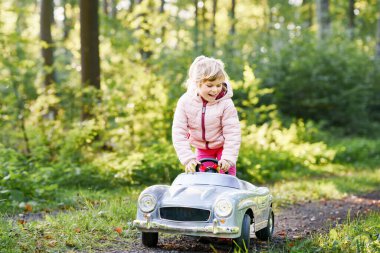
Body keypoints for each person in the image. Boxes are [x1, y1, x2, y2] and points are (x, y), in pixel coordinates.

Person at [172, 55, 241, 176]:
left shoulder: (226, 104)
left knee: (226, 179)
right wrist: (188, 159)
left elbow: (233, 133)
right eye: (210, 85)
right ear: (197, 83)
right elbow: (179, 133)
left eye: (219, 85)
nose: (215, 90)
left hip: (223, 148)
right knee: (202, 180)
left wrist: (228, 158)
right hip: (202, 150)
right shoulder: (185, 102)